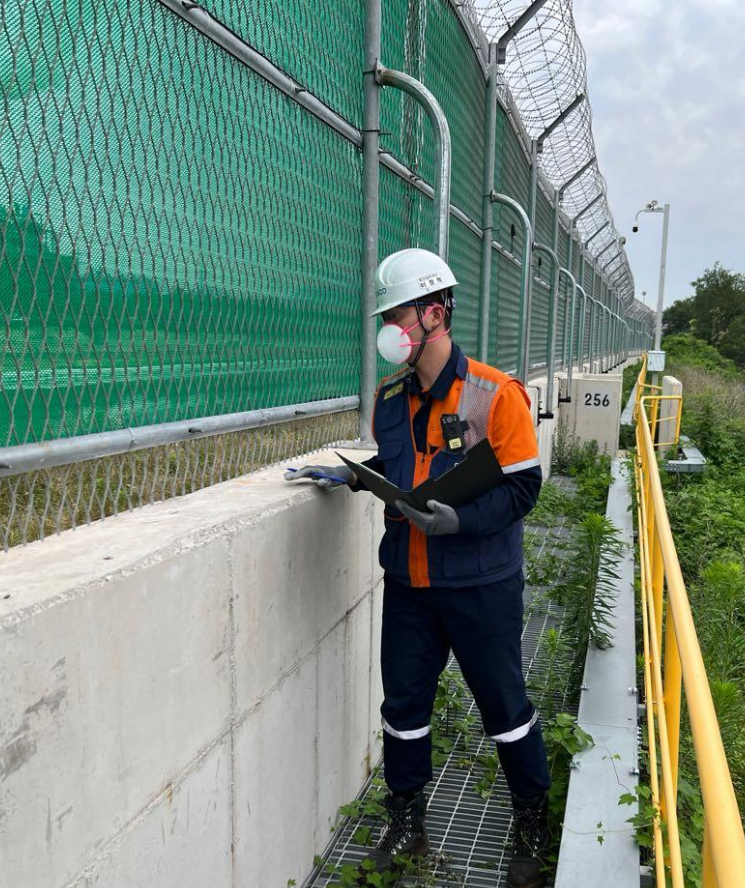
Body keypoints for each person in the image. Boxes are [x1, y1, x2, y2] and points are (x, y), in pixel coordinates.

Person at [286, 248, 551, 887]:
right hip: (409, 583)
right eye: (387, 315)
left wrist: (457, 522)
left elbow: (522, 489)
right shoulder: (390, 397)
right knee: (402, 707)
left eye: (399, 314)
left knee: (504, 707)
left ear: (435, 313)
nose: (390, 327)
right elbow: (400, 469)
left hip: (480, 584)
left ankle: (532, 818)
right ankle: (406, 816)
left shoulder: (496, 394)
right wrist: (359, 479)